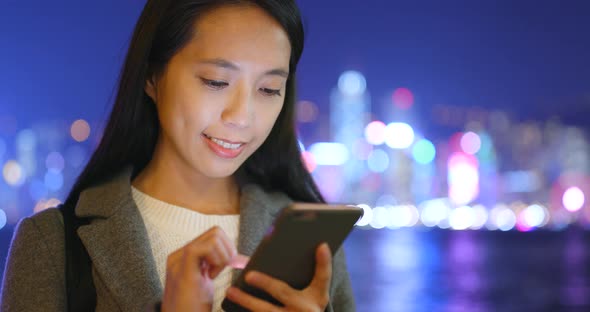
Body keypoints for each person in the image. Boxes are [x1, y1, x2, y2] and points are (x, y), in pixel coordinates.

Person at [0, 0, 356, 311]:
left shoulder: (311, 248)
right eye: (217, 81)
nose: (242, 116)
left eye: (268, 89)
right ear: (152, 77)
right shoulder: (52, 245)